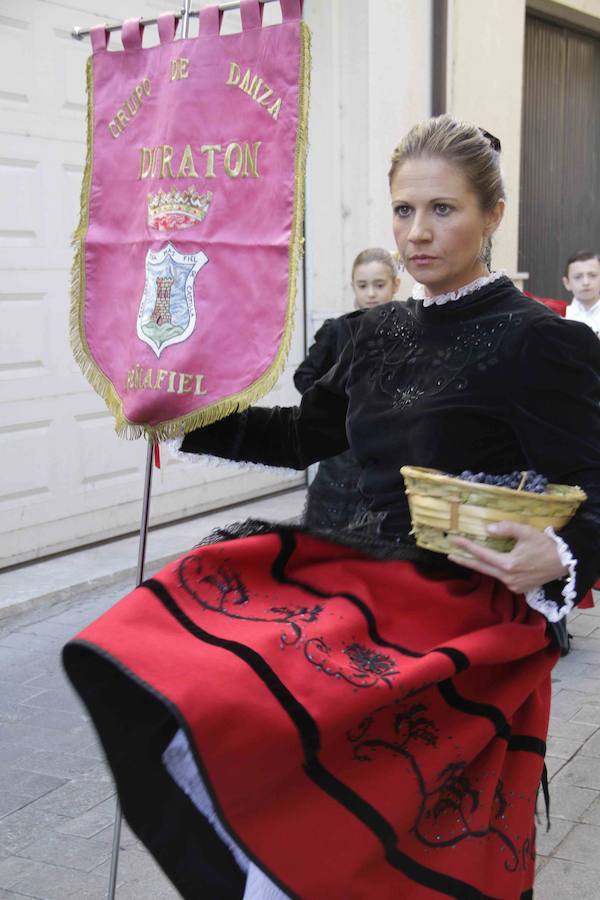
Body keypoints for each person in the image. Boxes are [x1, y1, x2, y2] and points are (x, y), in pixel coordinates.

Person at [63, 116, 600, 900]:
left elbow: (592, 484)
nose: (418, 232)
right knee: (287, 824)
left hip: (456, 634)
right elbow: (302, 436)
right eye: (404, 210)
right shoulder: (367, 333)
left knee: (415, 865)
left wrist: (561, 555)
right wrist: (180, 413)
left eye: (443, 210)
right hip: (340, 610)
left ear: (493, 215)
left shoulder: (541, 342)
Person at [294, 247, 399, 530]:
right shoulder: (337, 330)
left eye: (379, 285)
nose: (371, 294)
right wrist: (329, 406)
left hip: (388, 448)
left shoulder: (407, 331)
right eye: (362, 286)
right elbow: (305, 375)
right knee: (329, 529)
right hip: (341, 450)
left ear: (395, 285)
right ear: (353, 285)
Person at [563, 250, 600, 336]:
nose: (585, 282)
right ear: (567, 283)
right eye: (578, 277)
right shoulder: (559, 317)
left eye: (592, 275)